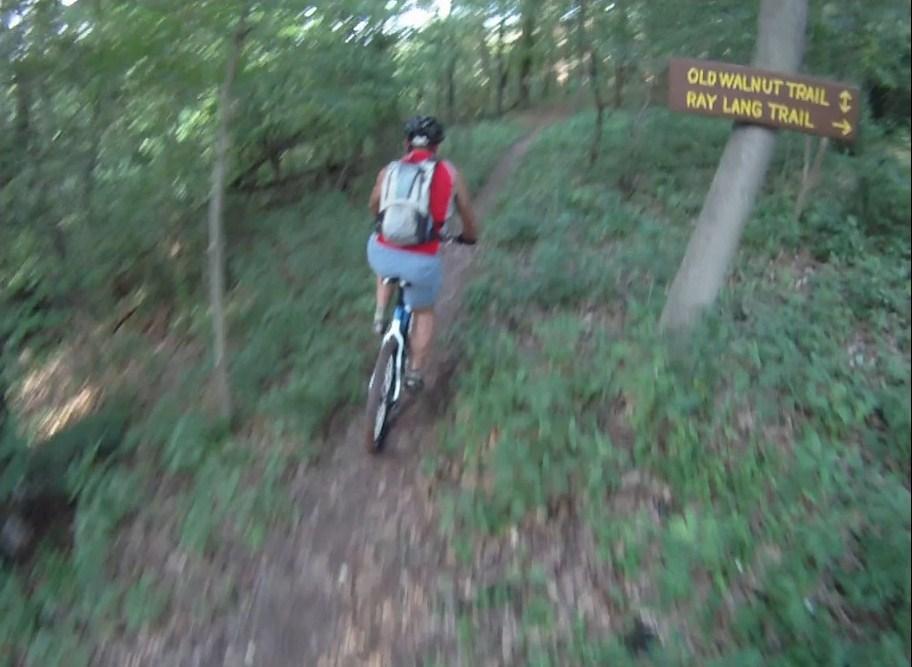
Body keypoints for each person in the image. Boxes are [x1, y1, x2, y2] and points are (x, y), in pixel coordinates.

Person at [367, 115, 479, 391]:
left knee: (382, 254)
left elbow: (374, 206)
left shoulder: (389, 171)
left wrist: (386, 222)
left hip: (383, 252)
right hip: (421, 262)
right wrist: (469, 236)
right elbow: (467, 214)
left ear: (406, 143)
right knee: (424, 312)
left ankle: (380, 315)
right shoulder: (450, 174)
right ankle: (414, 372)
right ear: (437, 146)